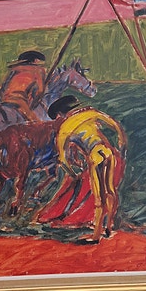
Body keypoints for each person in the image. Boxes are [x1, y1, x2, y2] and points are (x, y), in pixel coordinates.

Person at [48, 95, 127, 244]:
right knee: (110, 190)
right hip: (107, 152)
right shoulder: (90, 113)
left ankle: (96, 235)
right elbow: (115, 125)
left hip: (94, 156)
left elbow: (63, 159)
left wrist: (72, 174)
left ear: (60, 114)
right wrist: (121, 143)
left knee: (99, 196)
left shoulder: (64, 129)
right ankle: (109, 226)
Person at [0, 50, 47, 122]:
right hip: (20, 102)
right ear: (35, 60)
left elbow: (2, 88)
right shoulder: (38, 70)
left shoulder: (14, 70)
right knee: (36, 123)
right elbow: (39, 91)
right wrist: (34, 102)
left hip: (5, 100)